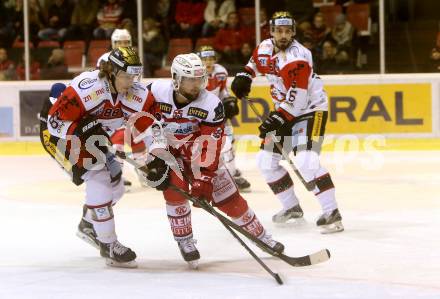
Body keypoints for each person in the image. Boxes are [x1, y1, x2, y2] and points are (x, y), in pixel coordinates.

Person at [131, 53, 284, 268]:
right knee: (175, 190)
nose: (196, 85)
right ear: (176, 78)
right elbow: (142, 121)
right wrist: (156, 156)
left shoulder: (211, 103)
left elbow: (209, 145)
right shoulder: (155, 91)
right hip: (168, 152)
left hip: (196, 153)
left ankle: (262, 237)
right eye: (190, 79)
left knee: (229, 197)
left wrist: (203, 179)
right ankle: (185, 241)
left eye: (199, 79)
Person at [230, 11, 344, 234]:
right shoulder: (264, 47)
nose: (283, 35)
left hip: (310, 110)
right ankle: (291, 207)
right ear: (271, 32)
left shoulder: (298, 57)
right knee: (265, 161)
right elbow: (254, 63)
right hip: (285, 111)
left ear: (293, 32)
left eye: (287, 31)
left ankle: (332, 212)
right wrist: (245, 76)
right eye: (278, 31)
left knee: (306, 161)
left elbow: (298, 98)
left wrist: (277, 118)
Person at [44, 47, 144, 267]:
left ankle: (88, 224)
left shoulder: (133, 91)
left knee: (116, 185)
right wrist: (82, 129)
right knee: (97, 174)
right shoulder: (87, 88)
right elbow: (54, 123)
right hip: (59, 135)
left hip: (90, 138)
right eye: (127, 76)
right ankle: (108, 244)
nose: (131, 81)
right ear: (112, 73)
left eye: (134, 75)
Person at [196, 45, 251, 191]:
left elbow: (223, 91)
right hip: (198, 115)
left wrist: (229, 101)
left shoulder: (220, 72)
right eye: (204, 59)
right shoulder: (194, 73)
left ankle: (232, 174)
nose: (208, 62)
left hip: (216, 112)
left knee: (228, 142)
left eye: (211, 59)